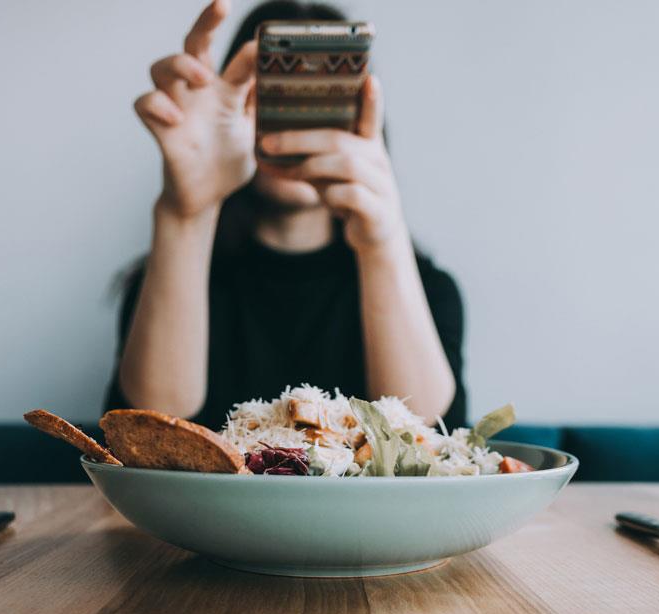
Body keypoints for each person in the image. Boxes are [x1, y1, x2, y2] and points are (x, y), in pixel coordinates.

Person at [105, 0, 466, 431]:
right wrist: (185, 214)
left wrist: (382, 242)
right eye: (275, 95)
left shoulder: (428, 291)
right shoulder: (169, 279)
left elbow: (429, 446)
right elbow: (148, 438)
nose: (295, 123)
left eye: (321, 96)